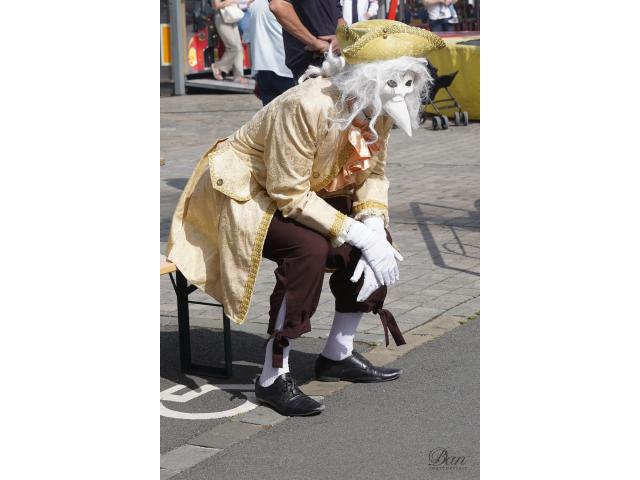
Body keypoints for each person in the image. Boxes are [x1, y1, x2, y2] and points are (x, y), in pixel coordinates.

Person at [166, 20, 446, 416]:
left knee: (371, 248)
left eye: (408, 82)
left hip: (306, 187)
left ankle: (336, 355)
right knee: (308, 249)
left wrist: (372, 225)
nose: (401, 92)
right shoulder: (306, 104)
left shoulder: (379, 110)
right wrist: (356, 232)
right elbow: (288, 193)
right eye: (393, 82)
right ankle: (271, 376)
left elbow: (374, 175)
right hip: (244, 190)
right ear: (367, 79)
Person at [268, 0, 345, 81]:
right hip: (310, 66)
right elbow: (277, 6)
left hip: (338, 61)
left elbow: (340, 18)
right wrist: (314, 42)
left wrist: (341, 38)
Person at [245, 0, 295, 105]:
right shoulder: (286, 3)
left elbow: (248, 41)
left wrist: (254, 74)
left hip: (263, 69)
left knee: (271, 118)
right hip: (286, 69)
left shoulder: (254, 5)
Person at [211, 0, 248, 84]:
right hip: (222, 17)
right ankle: (218, 66)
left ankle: (239, 76)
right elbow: (216, 6)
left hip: (231, 17)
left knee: (239, 48)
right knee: (233, 47)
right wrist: (231, 1)